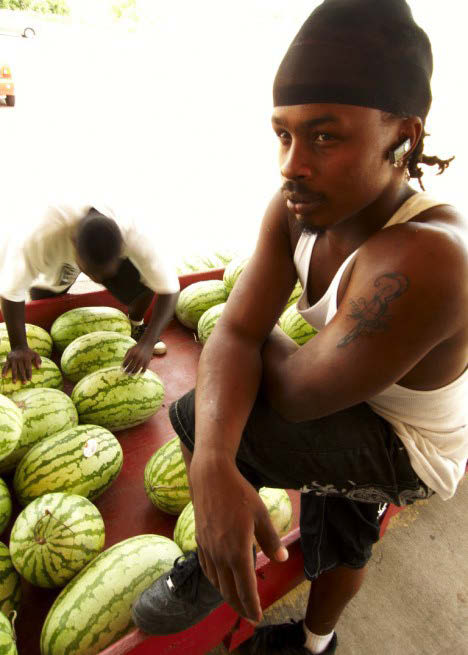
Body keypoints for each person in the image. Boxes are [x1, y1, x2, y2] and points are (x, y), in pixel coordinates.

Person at [132, 1, 467, 653]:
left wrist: (245, 341)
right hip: (344, 372)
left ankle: (280, 617)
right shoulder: (299, 203)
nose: (291, 162)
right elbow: (233, 333)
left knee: (222, 415)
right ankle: (281, 613)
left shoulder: (428, 261)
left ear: (405, 137)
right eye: (282, 134)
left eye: (325, 135)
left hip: (410, 441)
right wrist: (212, 467)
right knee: (255, 453)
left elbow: (282, 385)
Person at [0, 201, 180, 381]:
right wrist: (19, 347)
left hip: (101, 249)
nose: (97, 281)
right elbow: (11, 291)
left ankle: (136, 324)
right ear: (74, 245)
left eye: (104, 276)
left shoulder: (136, 238)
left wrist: (147, 342)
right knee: (45, 296)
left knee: (143, 283)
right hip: (60, 241)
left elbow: (170, 289)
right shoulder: (40, 239)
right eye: (92, 274)